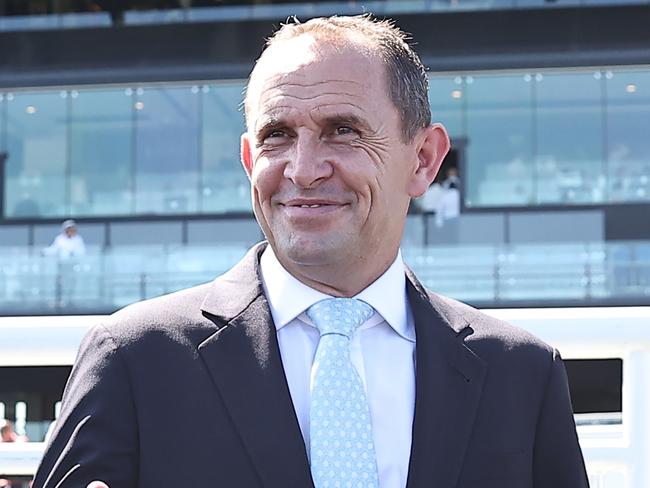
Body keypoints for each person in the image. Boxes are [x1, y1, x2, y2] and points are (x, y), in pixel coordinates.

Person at [32, 15, 589, 488]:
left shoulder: (522, 374)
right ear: (250, 162)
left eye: (342, 131)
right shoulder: (134, 360)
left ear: (422, 159)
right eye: (277, 136)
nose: (302, 169)